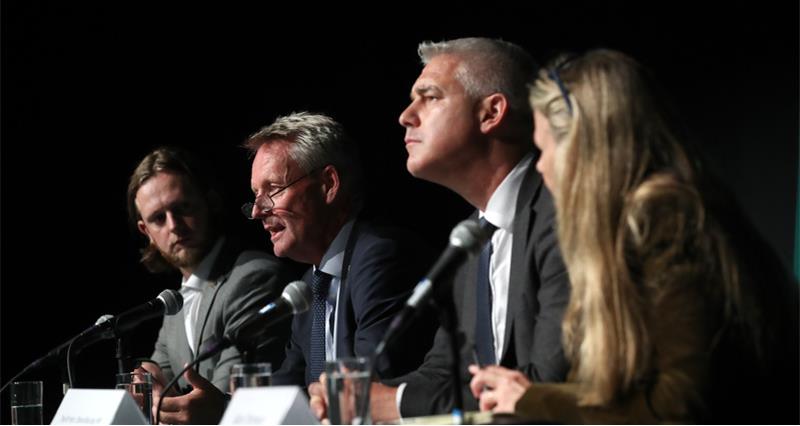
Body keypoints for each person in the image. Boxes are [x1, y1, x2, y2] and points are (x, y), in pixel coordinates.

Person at [469, 49, 799, 423]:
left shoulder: (667, 220)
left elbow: (679, 406)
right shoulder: (641, 224)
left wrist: (531, 401)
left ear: (585, 148)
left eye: (544, 150)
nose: (540, 167)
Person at [309, 38, 571, 423]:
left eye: (429, 97)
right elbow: (440, 375)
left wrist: (390, 403)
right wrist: (358, 395)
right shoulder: (470, 235)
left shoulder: (561, 212)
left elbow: (548, 384)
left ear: (491, 112)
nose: (405, 116)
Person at [244, 112, 436, 388]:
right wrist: (223, 408)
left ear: (328, 185)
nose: (257, 211)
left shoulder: (381, 258)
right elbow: (289, 391)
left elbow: (372, 383)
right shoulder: (309, 287)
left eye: (273, 190)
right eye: (255, 195)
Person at [128, 147, 298, 424]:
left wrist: (161, 399)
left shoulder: (253, 277)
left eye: (182, 208)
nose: (174, 226)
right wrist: (145, 375)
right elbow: (161, 369)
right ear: (146, 232)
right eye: (158, 218)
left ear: (209, 201)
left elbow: (224, 397)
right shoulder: (177, 298)